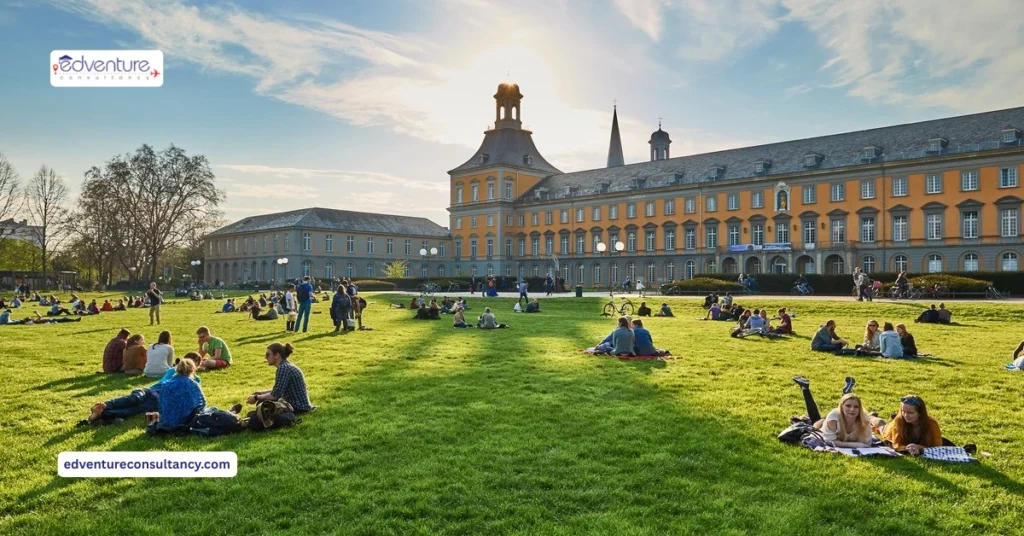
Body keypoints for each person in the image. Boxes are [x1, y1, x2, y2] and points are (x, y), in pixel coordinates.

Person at [792, 377, 874, 448]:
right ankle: (805, 389)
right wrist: (852, 444)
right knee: (815, 423)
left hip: (837, 419)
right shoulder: (833, 417)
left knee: (846, 408)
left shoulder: (864, 419)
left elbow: (866, 443)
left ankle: (846, 394)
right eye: (848, 406)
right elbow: (829, 441)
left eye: (856, 407)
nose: (852, 409)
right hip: (824, 424)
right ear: (841, 407)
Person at [244, 343, 315, 413]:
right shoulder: (286, 366)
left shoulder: (283, 368)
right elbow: (278, 390)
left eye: (268, 355)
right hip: (300, 405)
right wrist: (261, 393)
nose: (265, 357)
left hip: (297, 407)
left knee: (263, 403)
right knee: (263, 402)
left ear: (277, 355)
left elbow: (275, 395)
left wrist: (256, 397)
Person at [146, 358, 206, 435]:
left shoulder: (166, 384)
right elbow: (202, 403)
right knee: (212, 409)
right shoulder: (192, 384)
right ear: (192, 370)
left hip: (167, 420)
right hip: (185, 420)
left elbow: (161, 406)